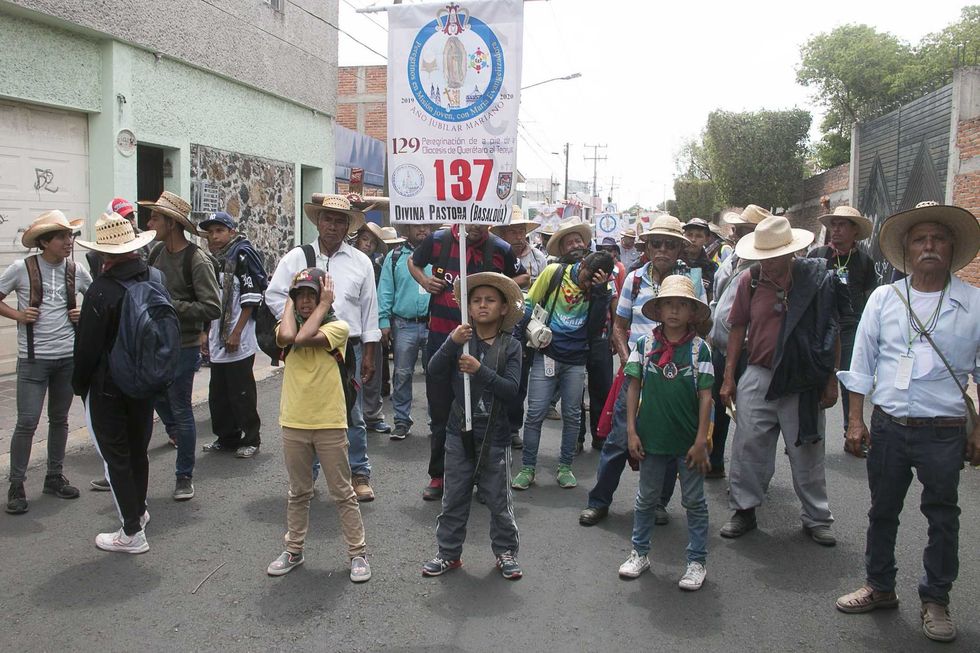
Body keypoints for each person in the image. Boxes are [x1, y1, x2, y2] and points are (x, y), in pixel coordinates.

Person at [835, 201, 980, 644]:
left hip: (945, 430)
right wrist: (855, 422)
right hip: (891, 426)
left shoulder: (973, 302)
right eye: (921, 239)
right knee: (882, 511)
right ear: (908, 249)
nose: (930, 246)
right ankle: (879, 586)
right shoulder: (885, 298)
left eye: (938, 238)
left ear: (951, 247)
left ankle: (936, 599)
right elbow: (861, 364)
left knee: (943, 517)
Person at [719, 215, 848, 545]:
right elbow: (737, 329)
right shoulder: (750, 280)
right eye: (763, 257)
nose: (768, 263)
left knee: (807, 449)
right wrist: (729, 377)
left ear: (791, 252)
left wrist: (831, 379)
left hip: (803, 379)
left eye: (774, 256)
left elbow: (831, 331)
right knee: (748, 445)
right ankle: (744, 510)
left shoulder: (814, 281)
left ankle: (816, 517)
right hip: (759, 374)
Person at [579, 215, 704, 526]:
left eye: (670, 244)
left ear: (679, 249)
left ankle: (659, 503)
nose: (662, 249)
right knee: (619, 440)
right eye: (657, 243)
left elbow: (702, 325)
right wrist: (628, 361)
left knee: (668, 442)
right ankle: (599, 500)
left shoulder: (692, 280)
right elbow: (619, 328)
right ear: (647, 246)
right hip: (637, 375)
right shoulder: (634, 280)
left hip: (676, 379)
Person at [265, 194, 380, 502]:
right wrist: (297, 325)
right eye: (327, 219)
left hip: (346, 347)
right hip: (304, 348)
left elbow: (370, 309)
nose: (332, 225)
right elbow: (276, 295)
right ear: (317, 221)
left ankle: (359, 474)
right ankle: (308, 478)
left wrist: (370, 351)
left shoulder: (361, 262)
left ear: (348, 226)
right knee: (307, 412)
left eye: (339, 220)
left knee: (351, 413)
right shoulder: (297, 258)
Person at [409, 223, 527, 501]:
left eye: (479, 219)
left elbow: (523, 277)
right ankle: (439, 476)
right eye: (468, 220)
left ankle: (482, 476)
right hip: (441, 339)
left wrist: (495, 283)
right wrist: (424, 281)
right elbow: (413, 262)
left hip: (483, 345)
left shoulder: (500, 248)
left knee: (483, 412)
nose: (473, 226)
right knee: (440, 414)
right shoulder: (437, 240)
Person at [266, 267, 370, 582]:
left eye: (312, 296)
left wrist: (325, 304)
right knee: (299, 491)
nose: (306, 303)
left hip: (328, 421)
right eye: (301, 297)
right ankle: (293, 550)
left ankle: (357, 553)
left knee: (342, 491)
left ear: (324, 297)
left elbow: (302, 337)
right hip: (294, 420)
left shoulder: (338, 326)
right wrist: (288, 300)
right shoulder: (284, 325)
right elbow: (286, 336)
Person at [421, 272, 524, 579]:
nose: (482, 306)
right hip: (458, 432)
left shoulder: (511, 346)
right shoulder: (461, 341)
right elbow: (433, 370)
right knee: (454, 496)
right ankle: (448, 553)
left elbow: (512, 390)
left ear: (504, 308)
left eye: (490, 300)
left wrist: (480, 371)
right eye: (476, 300)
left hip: (495, 435)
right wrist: (452, 343)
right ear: (467, 307)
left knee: (498, 499)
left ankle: (505, 552)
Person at [618, 275, 713, 591]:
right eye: (668, 304)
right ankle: (639, 552)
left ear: (692, 313)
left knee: (694, 501)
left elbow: (706, 397)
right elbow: (633, 388)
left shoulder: (701, 351)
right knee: (646, 499)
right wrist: (631, 431)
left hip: (688, 443)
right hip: (652, 438)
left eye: (682, 305)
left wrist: (701, 440)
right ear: (658, 311)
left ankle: (696, 561)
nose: (674, 311)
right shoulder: (644, 347)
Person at [72, 213, 160, 552]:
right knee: (138, 450)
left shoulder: (101, 290)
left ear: (104, 254)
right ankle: (139, 510)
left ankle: (131, 532)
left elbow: (87, 349)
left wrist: (79, 386)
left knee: (116, 457)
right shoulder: (151, 280)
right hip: (143, 382)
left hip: (109, 386)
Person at [1, 211, 91, 515]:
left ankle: (54, 476)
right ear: (44, 242)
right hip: (33, 359)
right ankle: (16, 484)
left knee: (60, 420)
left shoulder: (76, 270)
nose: (69, 242)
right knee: (27, 422)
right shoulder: (21, 269)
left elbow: (98, 300)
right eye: (62, 237)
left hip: (67, 357)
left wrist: (84, 313)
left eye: (70, 236)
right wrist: (18, 315)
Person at [511, 247, 614, 492]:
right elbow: (529, 301)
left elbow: (596, 327)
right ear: (583, 264)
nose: (587, 284)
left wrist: (599, 292)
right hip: (546, 353)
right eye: (587, 277)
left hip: (577, 360)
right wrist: (521, 333)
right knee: (535, 413)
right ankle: (527, 468)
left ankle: (565, 467)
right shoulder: (555, 272)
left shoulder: (601, 289)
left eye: (595, 281)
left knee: (573, 416)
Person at [142, 191, 221, 501]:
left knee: (181, 408)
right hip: (155, 344)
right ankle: (128, 469)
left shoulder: (197, 259)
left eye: (155, 218)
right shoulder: (156, 253)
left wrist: (169, 306)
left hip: (184, 346)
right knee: (150, 396)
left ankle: (183, 476)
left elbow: (212, 307)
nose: (150, 223)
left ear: (172, 223)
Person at [807, 205, 877, 452]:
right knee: (814, 379)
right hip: (819, 328)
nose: (835, 230)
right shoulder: (818, 255)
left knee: (849, 380)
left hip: (850, 329)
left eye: (842, 225)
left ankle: (852, 431)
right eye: (833, 225)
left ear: (854, 231)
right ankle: (807, 433)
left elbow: (869, 298)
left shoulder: (865, 262)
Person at [199, 211, 267, 459]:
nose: (214, 236)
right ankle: (226, 437)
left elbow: (251, 298)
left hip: (238, 337)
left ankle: (251, 438)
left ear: (232, 232)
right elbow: (211, 301)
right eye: (210, 232)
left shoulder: (242, 256)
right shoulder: (213, 261)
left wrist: (236, 332)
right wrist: (206, 333)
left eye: (219, 230)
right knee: (218, 394)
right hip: (218, 336)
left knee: (241, 393)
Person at [705, 206, 766, 479]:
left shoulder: (763, 267)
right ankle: (714, 460)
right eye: (736, 228)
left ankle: (746, 476)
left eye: (743, 229)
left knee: (747, 414)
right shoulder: (732, 259)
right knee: (717, 407)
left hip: (746, 351)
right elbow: (718, 298)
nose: (736, 232)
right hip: (719, 347)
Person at [378, 223, 432, 440]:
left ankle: (436, 421)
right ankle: (401, 420)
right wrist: (383, 320)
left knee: (436, 375)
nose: (422, 230)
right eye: (417, 226)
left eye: (426, 226)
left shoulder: (440, 254)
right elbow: (386, 290)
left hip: (433, 323)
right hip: (403, 324)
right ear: (407, 230)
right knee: (401, 373)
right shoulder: (394, 257)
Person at [351, 221, 394, 435]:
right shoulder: (347, 263)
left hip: (372, 322)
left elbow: (382, 293)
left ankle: (373, 415)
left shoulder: (377, 267)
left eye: (372, 242)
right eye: (365, 239)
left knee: (373, 371)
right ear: (357, 239)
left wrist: (383, 322)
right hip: (349, 324)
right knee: (350, 372)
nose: (368, 245)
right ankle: (352, 415)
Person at [85, 198, 147, 278]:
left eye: (132, 217)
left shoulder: (147, 243)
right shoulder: (97, 255)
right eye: (125, 219)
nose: (131, 222)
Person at [491, 207, 547, 286]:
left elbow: (544, 286)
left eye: (521, 232)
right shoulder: (495, 257)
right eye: (513, 232)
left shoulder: (538, 257)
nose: (519, 237)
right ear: (503, 234)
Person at [682, 218, 719, 302]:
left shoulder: (712, 268)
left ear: (706, 239)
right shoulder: (674, 262)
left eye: (699, 236)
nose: (693, 240)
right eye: (689, 235)